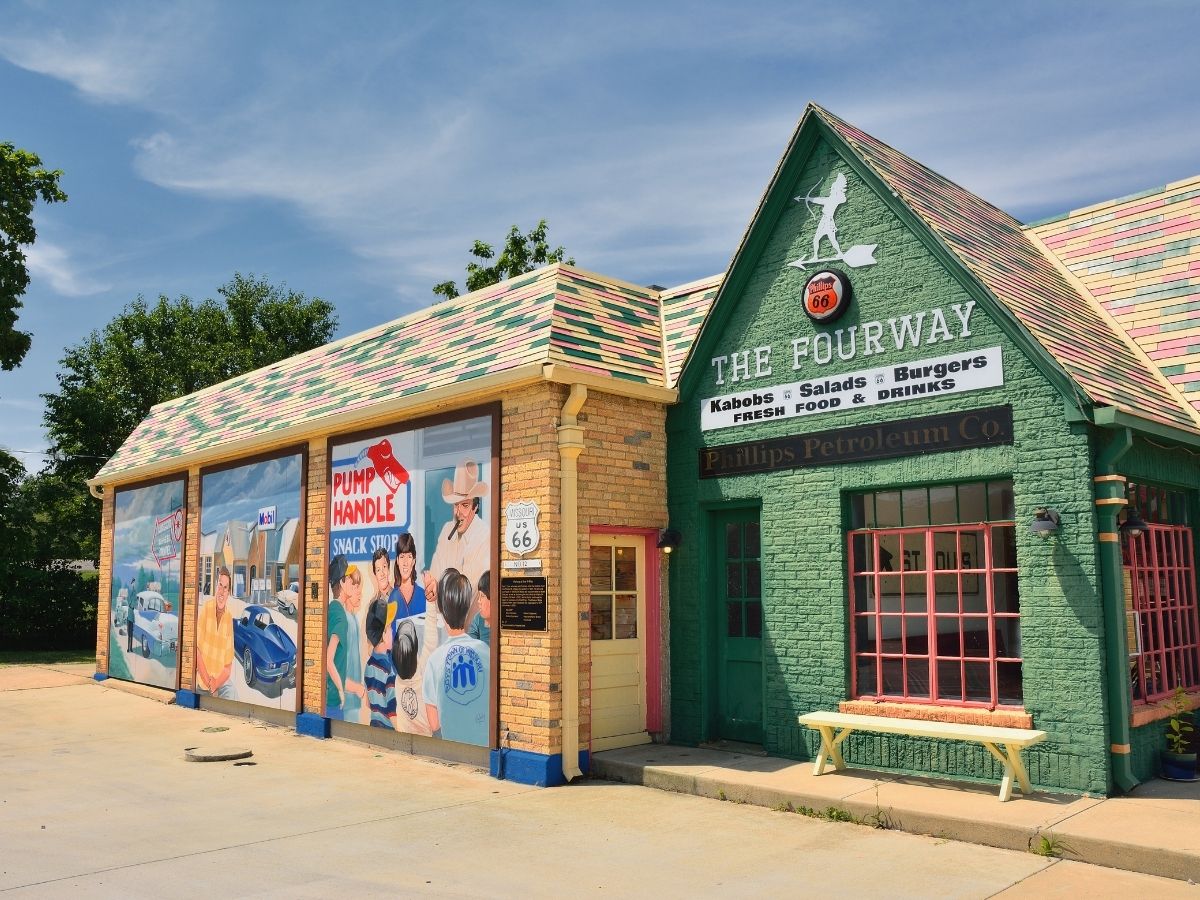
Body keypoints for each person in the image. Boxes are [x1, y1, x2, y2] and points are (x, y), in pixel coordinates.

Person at [422, 569, 489, 746]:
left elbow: (434, 724)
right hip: (483, 745)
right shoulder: (485, 651)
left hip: (452, 749)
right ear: (467, 607)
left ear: (442, 610)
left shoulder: (435, 660)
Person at [424, 460, 490, 609]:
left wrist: (440, 590)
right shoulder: (447, 530)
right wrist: (432, 586)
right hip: (443, 623)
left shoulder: (484, 536)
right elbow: (434, 575)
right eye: (456, 505)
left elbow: (469, 594)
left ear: (475, 507)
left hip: (468, 628)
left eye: (465, 505)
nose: (458, 512)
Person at [325, 555, 366, 721]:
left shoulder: (332, 609)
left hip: (330, 695)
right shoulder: (341, 617)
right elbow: (329, 660)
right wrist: (344, 690)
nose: (353, 585)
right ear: (342, 583)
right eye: (349, 580)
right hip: (335, 699)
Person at [196, 567, 235, 699]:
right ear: (215, 586)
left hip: (221, 684)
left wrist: (216, 684)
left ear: (228, 592)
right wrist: (209, 683)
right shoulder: (206, 609)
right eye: (220, 585)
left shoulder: (229, 618)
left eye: (225, 587)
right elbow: (197, 651)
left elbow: (228, 666)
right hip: (203, 683)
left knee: (233, 696)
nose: (222, 591)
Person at [390, 617, 433, 736]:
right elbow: (430, 641)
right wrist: (431, 603)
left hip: (403, 735)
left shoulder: (397, 680)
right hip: (425, 737)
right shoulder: (422, 673)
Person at [363, 598, 397, 729]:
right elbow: (393, 713)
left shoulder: (369, 664)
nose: (392, 632)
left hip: (374, 725)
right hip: (390, 730)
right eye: (389, 629)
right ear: (383, 633)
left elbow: (368, 703)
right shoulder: (389, 669)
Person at [390, 532, 426, 620]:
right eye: (402, 557)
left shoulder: (422, 595)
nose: (405, 563)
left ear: (414, 561)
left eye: (409, 557)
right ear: (397, 561)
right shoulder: (393, 597)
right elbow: (390, 631)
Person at [467, 570, 492, 645]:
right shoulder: (478, 618)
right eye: (479, 596)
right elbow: (471, 645)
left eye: (483, 596)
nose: (479, 601)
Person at [124, 581, 136, 652]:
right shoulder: (129, 605)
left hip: (131, 621)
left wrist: (133, 586)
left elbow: (133, 594)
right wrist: (132, 586)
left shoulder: (132, 608)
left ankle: (130, 648)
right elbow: (131, 594)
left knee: (131, 635)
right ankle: (129, 648)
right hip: (129, 621)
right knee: (129, 635)